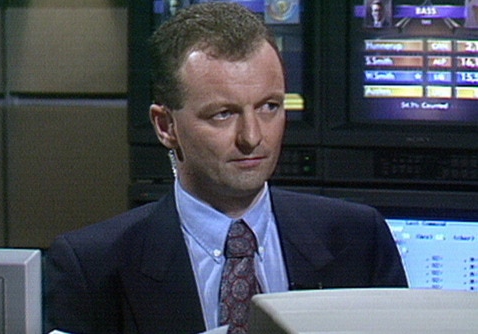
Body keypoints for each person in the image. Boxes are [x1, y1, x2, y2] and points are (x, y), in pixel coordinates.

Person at [44, 3, 407, 334]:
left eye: (269, 107)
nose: (252, 137)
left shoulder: (359, 240)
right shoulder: (93, 267)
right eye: (223, 114)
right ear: (166, 126)